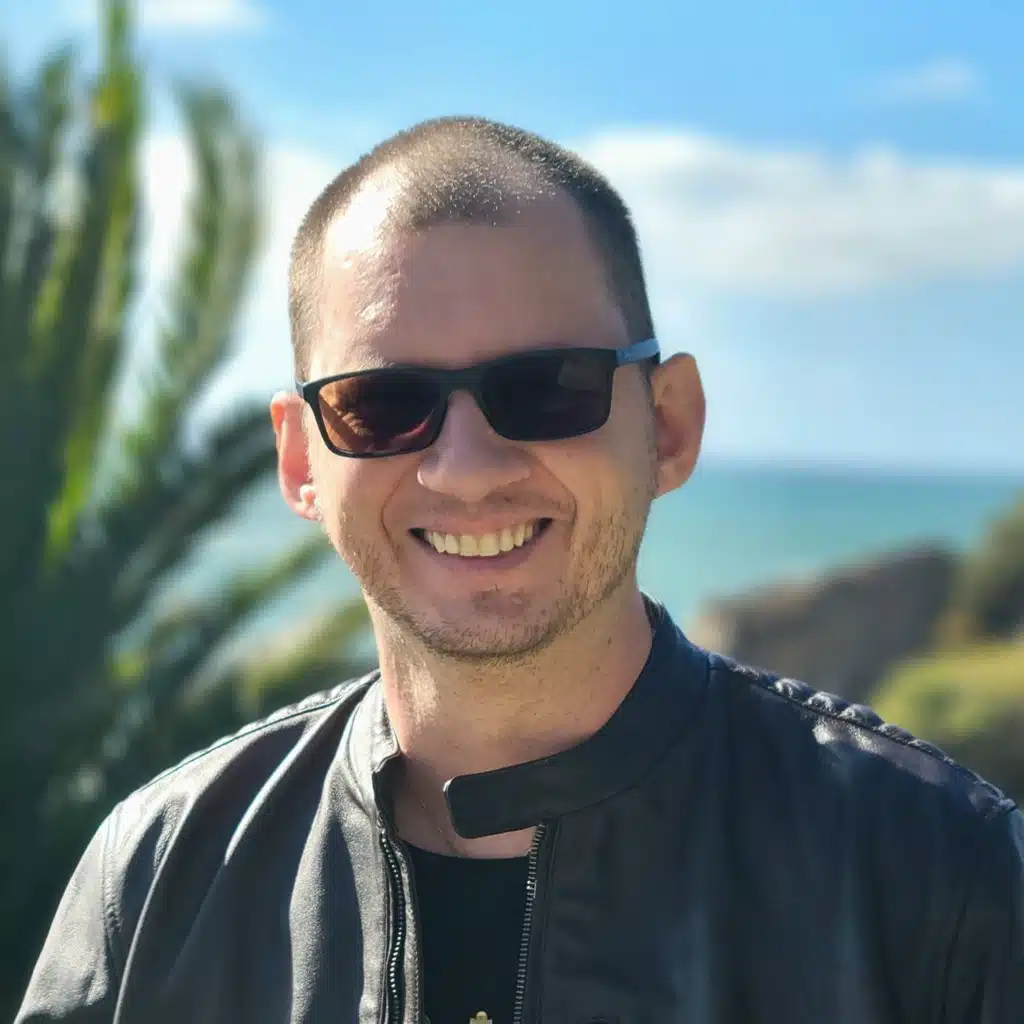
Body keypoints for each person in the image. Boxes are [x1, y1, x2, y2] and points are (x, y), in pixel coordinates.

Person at [17, 116, 1024, 1024]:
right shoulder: (156, 884)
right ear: (300, 462)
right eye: (382, 405)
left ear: (668, 426)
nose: (466, 469)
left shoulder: (940, 880)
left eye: (547, 388)